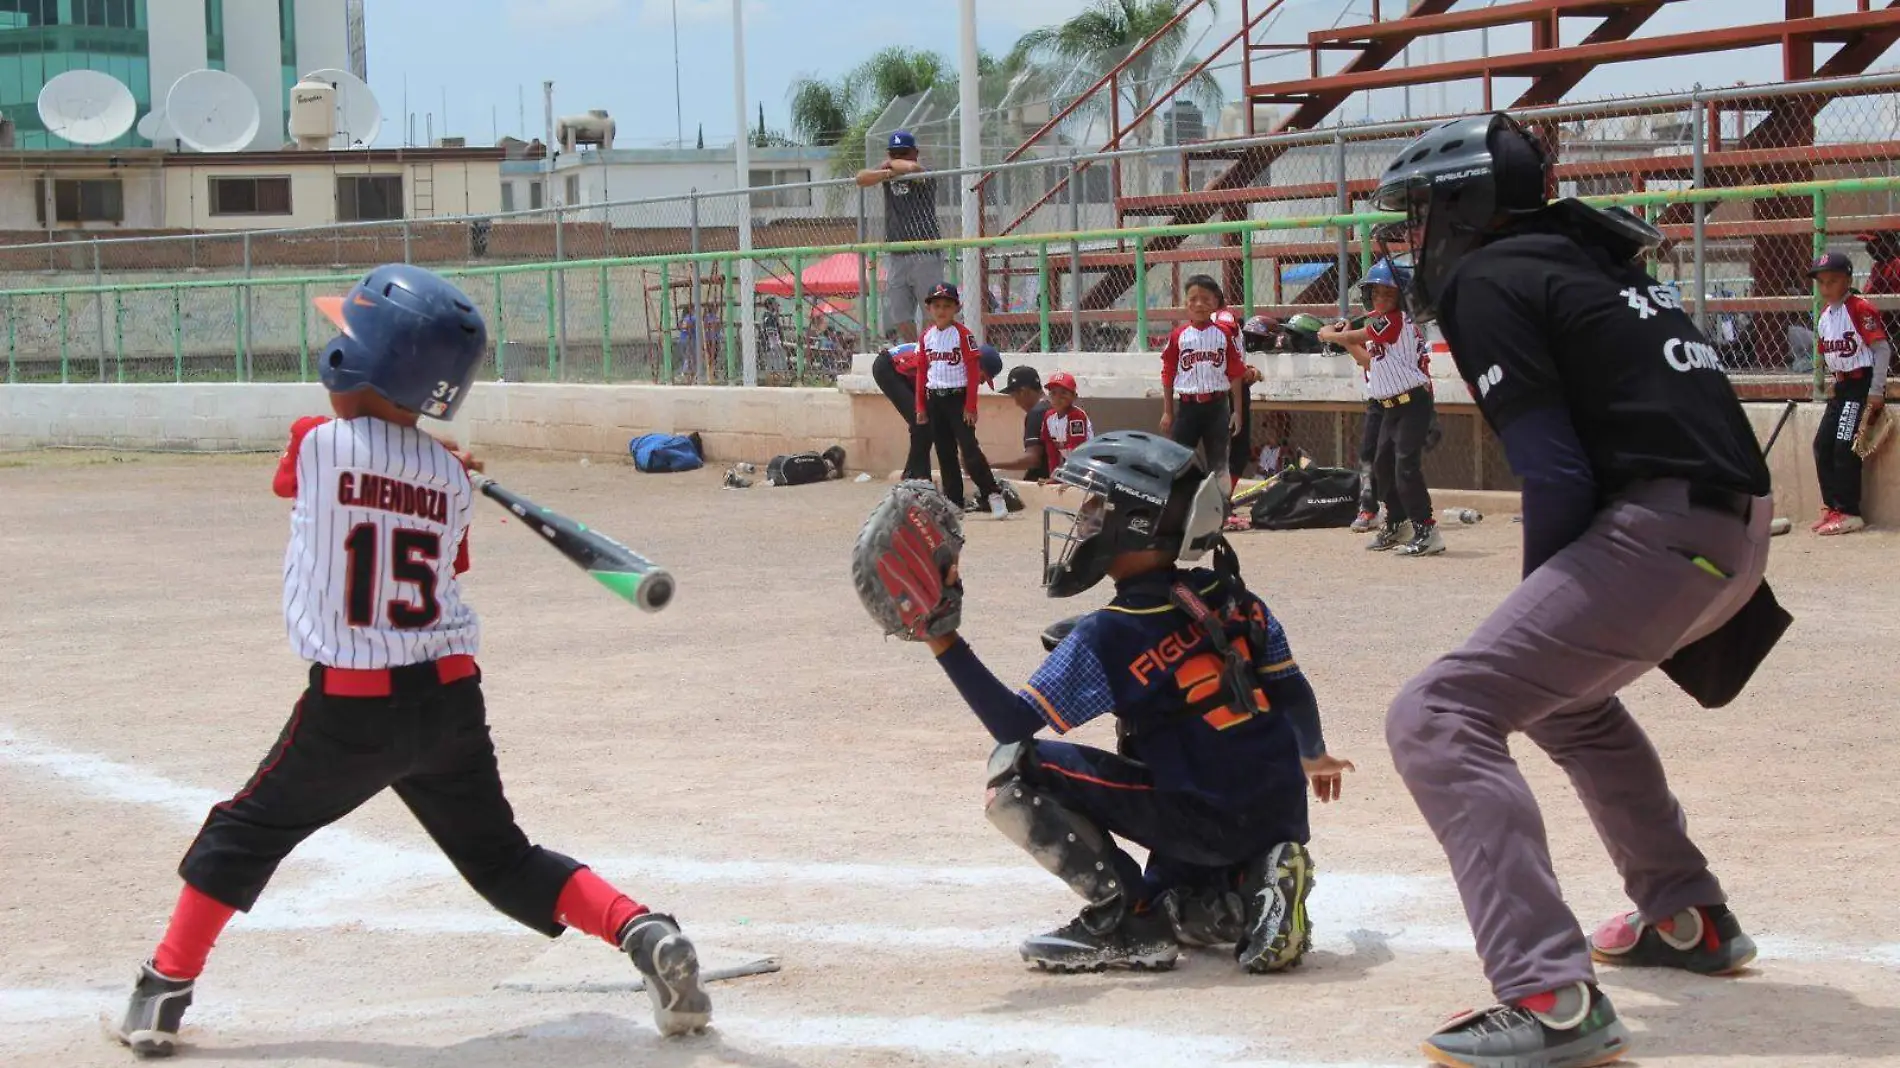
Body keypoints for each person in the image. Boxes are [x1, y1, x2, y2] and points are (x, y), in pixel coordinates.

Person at [113, 265, 712, 1059]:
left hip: (351, 711)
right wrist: (439, 467)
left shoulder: (314, 442)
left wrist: (420, 459)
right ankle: (641, 929)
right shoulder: (454, 483)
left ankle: (162, 994)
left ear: (359, 365)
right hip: (451, 702)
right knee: (504, 860)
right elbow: (443, 558)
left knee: (240, 835)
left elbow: (310, 479)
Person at [1375, 113, 1782, 1068]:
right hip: (1733, 530)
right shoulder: (1589, 259)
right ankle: (1686, 918)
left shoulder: (1489, 277)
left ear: (1468, 209)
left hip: (1663, 530)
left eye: (1427, 213)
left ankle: (1548, 994)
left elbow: (1553, 471)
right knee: (1566, 704)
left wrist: (1546, 605)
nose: (1419, 237)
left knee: (1437, 711)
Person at [917, 430, 1354, 972]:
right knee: (1186, 905)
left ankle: (1128, 919)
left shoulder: (1113, 631)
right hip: (1277, 807)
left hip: (1205, 815)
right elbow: (1291, 687)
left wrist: (942, 637)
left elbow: (1010, 722)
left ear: (1137, 525)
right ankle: (1254, 880)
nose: (1086, 523)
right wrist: (1313, 753)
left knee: (1014, 770)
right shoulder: (1232, 595)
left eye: (1098, 510)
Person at [1320, 259, 1443, 556]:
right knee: (1381, 467)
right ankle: (1398, 523)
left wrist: (1331, 336)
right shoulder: (1382, 321)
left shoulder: (1397, 320)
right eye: (1375, 293)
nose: (1380, 299)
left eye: (1388, 294)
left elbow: (1357, 336)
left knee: (1406, 467)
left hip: (1413, 403)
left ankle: (1427, 531)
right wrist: (1344, 335)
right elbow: (1366, 358)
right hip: (1390, 406)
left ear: (1402, 297)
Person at [1808, 250, 1891, 535]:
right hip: (1841, 387)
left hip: (1861, 385)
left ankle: (1850, 512)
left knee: (1845, 446)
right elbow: (1828, 357)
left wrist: (1876, 390)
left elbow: (1881, 350)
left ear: (1847, 280)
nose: (1826, 287)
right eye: (1821, 282)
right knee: (1821, 444)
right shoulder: (1825, 316)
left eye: (1832, 280)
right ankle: (1833, 507)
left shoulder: (1859, 308)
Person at [914, 282, 1007, 519]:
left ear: (956, 308)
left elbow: (974, 371)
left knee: (969, 449)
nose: (941, 310)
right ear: (929, 309)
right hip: (935, 398)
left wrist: (970, 405)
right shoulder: (926, 337)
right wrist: (920, 406)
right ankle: (954, 500)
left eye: (947, 305)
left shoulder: (963, 335)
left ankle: (992, 493)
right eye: (936, 305)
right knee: (945, 452)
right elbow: (922, 373)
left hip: (958, 398)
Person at [856, 129, 943, 344]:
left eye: (903, 153)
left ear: (915, 152)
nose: (898, 158)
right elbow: (861, 178)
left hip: (925, 250)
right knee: (900, 314)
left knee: (931, 310)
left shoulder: (925, 173)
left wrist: (892, 166)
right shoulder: (888, 174)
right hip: (897, 253)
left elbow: (911, 167)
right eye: (894, 154)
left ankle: (928, 350)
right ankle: (916, 349)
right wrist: (888, 172)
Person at [1159, 275, 1247, 486]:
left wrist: (1237, 411)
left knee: (1218, 462)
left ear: (1215, 303)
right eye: (1193, 299)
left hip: (1217, 407)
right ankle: (1179, 509)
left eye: (1206, 299)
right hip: (1188, 406)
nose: (1199, 304)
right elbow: (1168, 373)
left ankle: (1221, 509)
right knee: (1179, 461)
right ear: (1185, 303)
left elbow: (1235, 374)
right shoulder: (1178, 335)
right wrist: (1168, 411)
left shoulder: (1224, 334)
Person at [993, 365, 1055, 482]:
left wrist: (989, 464)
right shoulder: (1053, 406)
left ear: (1023, 391)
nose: (1016, 403)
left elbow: (1033, 460)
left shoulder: (1036, 413)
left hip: (1043, 483)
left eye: (1014, 396)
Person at [1036, 371, 1094, 475]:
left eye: (1063, 393)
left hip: (1089, 465)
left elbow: (1077, 451)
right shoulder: (1048, 416)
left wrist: (1071, 478)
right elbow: (1052, 451)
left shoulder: (1076, 416)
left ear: (1074, 396)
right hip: (1071, 465)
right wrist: (1054, 476)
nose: (1058, 397)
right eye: (1053, 393)